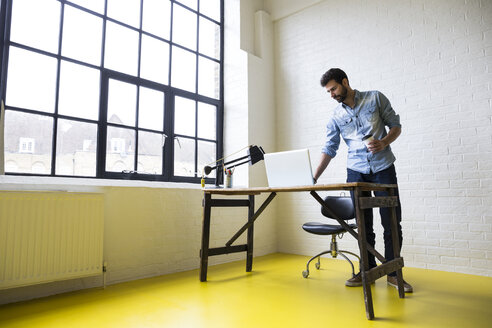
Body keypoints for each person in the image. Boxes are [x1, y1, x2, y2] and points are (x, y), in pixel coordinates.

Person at [313, 68, 413, 293]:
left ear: (345, 82)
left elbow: (395, 126)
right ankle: (367, 269)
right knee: (363, 224)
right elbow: (330, 148)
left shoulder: (375, 97)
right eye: (328, 92)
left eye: (334, 89)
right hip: (355, 172)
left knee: (391, 222)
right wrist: (314, 176)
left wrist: (384, 142)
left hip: (383, 168)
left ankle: (393, 273)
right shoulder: (336, 116)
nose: (332, 95)